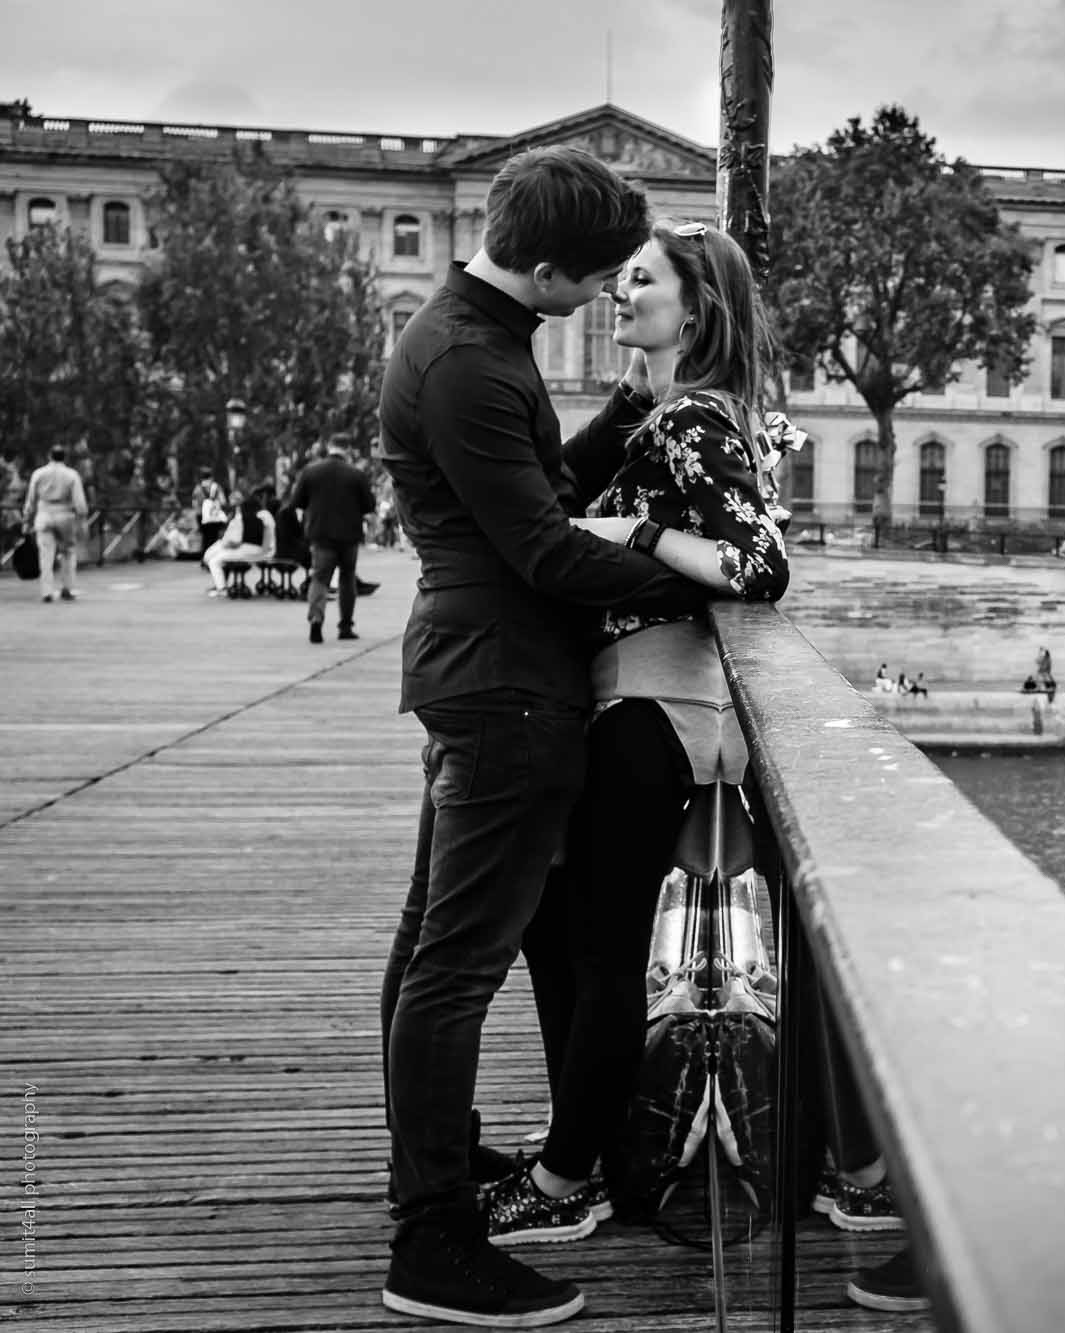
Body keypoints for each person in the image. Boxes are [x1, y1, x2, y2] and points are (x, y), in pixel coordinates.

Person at [375, 145, 707, 1330]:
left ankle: (436, 1164)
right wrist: (712, 581)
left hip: (480, 670)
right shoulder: (471, 360)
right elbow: (545, 551)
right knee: (456, 964)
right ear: (550, 264)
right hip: (509, 683)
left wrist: (621, 414)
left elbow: (531, 495)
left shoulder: (465, 336)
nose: (605, 296)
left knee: (433, 945)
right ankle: (431, 1243)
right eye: (599, 275)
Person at [508, 218, 793, 1260]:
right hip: (658, 705)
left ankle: (567, 1178)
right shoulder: (678, 414)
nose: (617, 297)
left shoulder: (691, 422)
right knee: (565, 930)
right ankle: (582, 1149)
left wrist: (631, 534)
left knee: (598, 950)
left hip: (655, 711)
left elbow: (756, 565)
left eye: (640, 282)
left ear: (695, 307)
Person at [286, 441, 375, 643]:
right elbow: (369, 505)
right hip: (349, 536)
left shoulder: (310, 472)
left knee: (320, 579)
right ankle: (345, 626)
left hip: (321, 535)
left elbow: (296, 502)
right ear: (348, 451)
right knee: (347, 578)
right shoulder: (356, 474)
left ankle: (316, 621)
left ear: (330, 449)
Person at [23, 445, 89, 603]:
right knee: (68, 552)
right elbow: (79, 502)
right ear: (64, 457)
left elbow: (31, 499)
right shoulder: (71, 475)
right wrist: (82, 519)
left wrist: (27, 519)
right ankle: (67, 588)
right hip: (65, 514)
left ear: (49, 456)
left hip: (44, 513)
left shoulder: (39, 473)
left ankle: (47, 591)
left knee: (46, 554)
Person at [200, 491, 276, 597]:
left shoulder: (253, 518)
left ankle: (222, 588)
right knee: (218, 556)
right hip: (258, 549)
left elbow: (237, 540)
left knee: (215, 560)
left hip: (255, 550)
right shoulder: (260, 517)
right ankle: (221, 585)